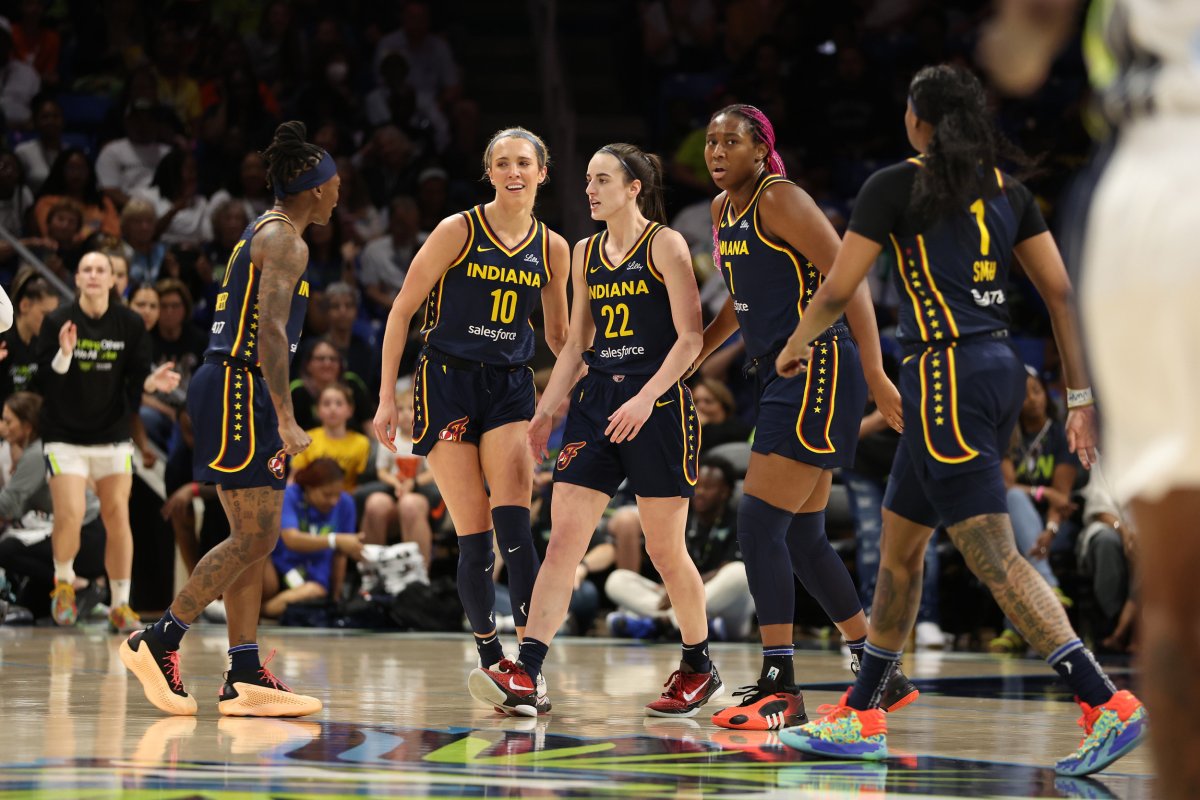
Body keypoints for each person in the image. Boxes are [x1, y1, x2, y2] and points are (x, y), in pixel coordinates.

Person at [774, 65, 1146, 778]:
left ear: (918, 120)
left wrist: (795, 346)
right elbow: (1061, 294)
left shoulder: (894, 184)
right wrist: (1078, 398)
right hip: (999, 369)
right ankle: (862, 712)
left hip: (944, 375)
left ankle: (1106, 702)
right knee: (901, 549)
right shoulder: (1007, 189)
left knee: (993, 556)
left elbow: (839, 287)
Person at [466, 142, 721, 719]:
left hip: (657, 401)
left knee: (665, 548)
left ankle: (698, 665)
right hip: (596, 401)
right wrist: (546, 412)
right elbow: (578, 342)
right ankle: (529, 669)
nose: (589, 189)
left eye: (602, 179)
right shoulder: (584, 252)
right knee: (564, 541)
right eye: (587, 179)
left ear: (633, 188)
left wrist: (646, 398)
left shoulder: (665, 244)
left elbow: (690, 338)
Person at [692, 104, 916, 731]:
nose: (717, 152)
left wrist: (877, 375)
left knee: (759, 524)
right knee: (800, 536)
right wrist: (694, 358)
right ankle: (880, 671)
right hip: (778, 370)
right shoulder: (723, 211)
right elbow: (742, 303)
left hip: (818, 364)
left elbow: (850, 281)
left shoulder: (780, 198)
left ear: (761, 150)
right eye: (711, 142)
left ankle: (780, 687)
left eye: (731, 141)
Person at [119, 120, 339, 718]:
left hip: (236, 386)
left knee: (254, 538)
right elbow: (270, 331)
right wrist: (287, 416)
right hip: (241, 386)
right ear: (315, 187)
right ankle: (158, 640)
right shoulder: (286, 241)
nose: (339, 192)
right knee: (254, 536)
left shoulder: (267, 233)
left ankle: (243, 673)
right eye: (335, 183)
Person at [373, 126, 568, 698]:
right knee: (475, 534)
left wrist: (587, 383)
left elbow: (560, 337)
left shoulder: (553, 247)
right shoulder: (457, 230)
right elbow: (401, 311)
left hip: (510, 386)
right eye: (502, 162)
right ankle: (490, 655)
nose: (513, 172)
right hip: (446, 382)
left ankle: (529, 669)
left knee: (517, 529)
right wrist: (386, 396)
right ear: (489, 172)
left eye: (523, 162)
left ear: (542, 173)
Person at [37, 251, 178, 633]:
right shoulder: (57, 321)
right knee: (70, 511)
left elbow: (137, 378)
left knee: (117, 514)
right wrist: (65, 354)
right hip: (64, 435)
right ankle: (63, 584)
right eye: (87, 269)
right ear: (77, 278)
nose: (94, 275)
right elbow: (45, 381)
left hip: (112, 435)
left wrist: (151, 383)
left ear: (113, 279)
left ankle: (120, 604)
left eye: (102, 270)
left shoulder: (129, 324)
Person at [991, 366, 1078, 654]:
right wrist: (1043, 491)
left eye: (1037, 391)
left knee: (1016, 547)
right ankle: (1048, 587)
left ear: (1046, 393)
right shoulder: (1007, 436)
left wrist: (1050, 531)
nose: (1033, 399)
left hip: (1056, 524)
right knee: (1015, 500)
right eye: (1024, 395)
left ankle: (1013, 628)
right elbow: (1007, 487)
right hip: (1016, 519)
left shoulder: (1061, 434)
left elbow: (1061, 498)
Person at [0, 392, 104, 620]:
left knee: (6, 549)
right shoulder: (39, 449)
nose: (2, 427)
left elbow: (7, 505)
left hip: (88, 538)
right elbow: (16, 508)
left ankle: (82, 585)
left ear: (27, 426)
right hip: (85, 535)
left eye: (8, 421)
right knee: (32, 605)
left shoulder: (37, 453)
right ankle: (72, 590)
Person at [263, 458, 363, 619]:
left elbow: (341, 554)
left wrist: (336, 598)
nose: (333, 501)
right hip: (279, 565)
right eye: (327, 495)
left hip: (314, 576)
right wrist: (334, 540)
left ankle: (257, 613)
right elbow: (291, 539)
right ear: (309, 488)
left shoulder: (346, 504)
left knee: (314, 591)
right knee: (260, 565)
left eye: (337, 495)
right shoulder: (290, 495)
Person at [289, 383, 370, 490]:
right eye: (326, 404)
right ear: (317, 410)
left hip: (348, 497)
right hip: (313, 496)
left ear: (350, 410)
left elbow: (363, 483)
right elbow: (293, 478)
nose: (332, 408)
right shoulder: (306, 440)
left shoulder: (362, 442)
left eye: (339, 403)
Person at [0, 267, 58, 398]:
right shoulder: (3, 337)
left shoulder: (43, 343)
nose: (50, 321)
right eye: (45, 314)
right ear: (24, 305)